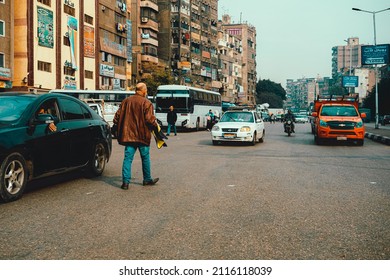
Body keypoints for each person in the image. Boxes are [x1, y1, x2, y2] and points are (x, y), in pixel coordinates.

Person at [113, 82, 159, 190]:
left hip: (129, 136)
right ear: (143, 91)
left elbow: (116, 117)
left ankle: (125, 183)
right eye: (146, 90)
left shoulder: (126, 101)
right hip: (142, 136)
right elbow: (149, 119)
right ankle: (147, 179)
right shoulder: (146, 103)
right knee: (145, 157)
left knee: (127, 159)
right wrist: (156, 125)